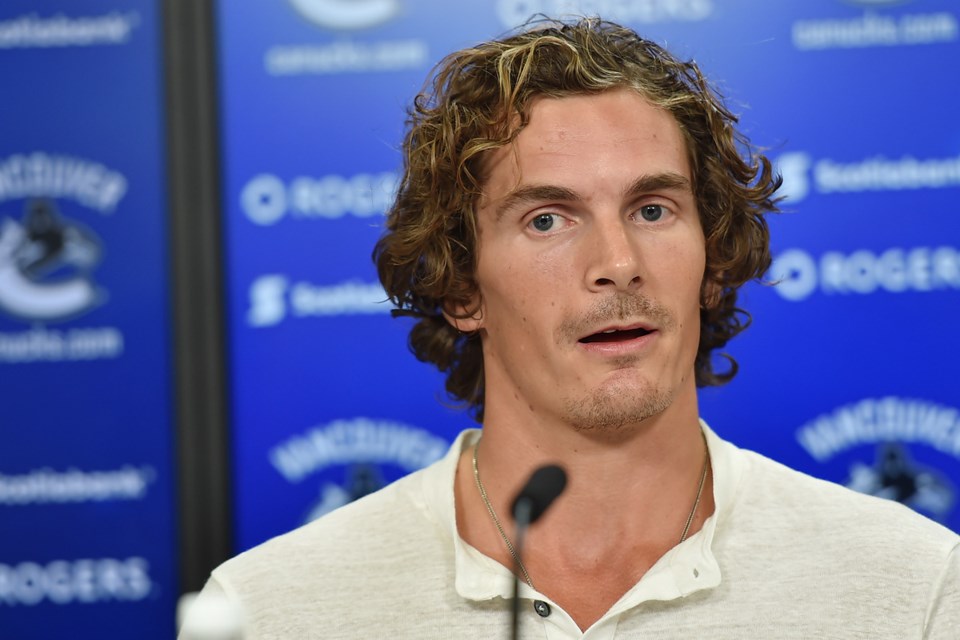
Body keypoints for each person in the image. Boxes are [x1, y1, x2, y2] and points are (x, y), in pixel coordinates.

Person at [182, 18, 959, 638]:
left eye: (653, 210)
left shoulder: (915, 588)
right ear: (460, 286)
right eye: (548, 218)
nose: (617, 263)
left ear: (712, 262)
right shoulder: (272, 611)